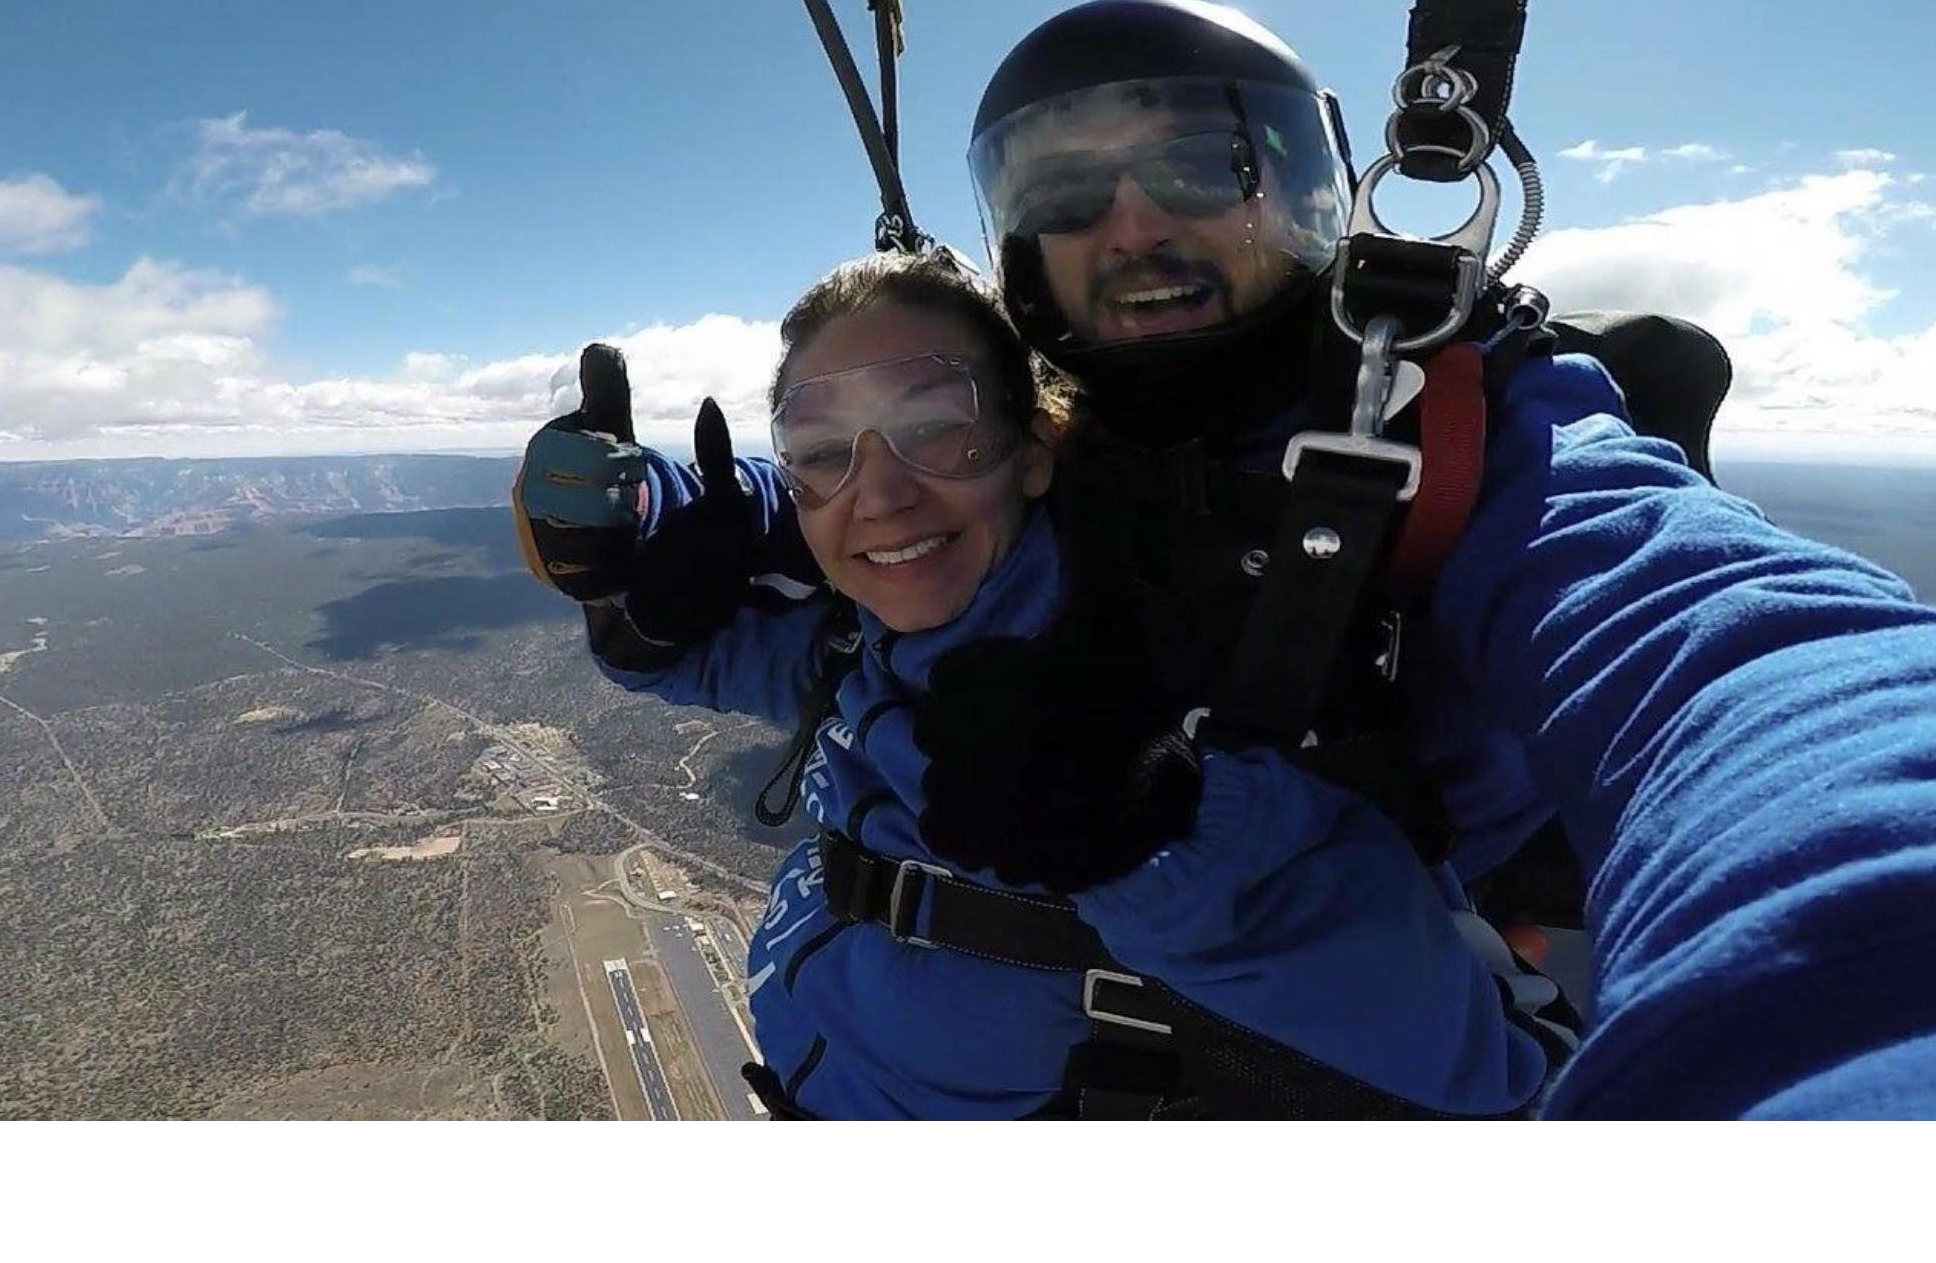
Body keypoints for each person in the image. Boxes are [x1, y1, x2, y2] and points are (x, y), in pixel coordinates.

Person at [931, 0, 1936, 1118]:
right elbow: (819, 504)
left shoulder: (1465, 422)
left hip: (1389, 1011)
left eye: (1200, 166)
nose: (1130, 226)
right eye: (1066, 190)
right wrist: (692, 539)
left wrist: (1865, 964)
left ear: (1300, 183)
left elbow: (1716, 643)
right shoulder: (1031, 447)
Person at [514, 246, 1573, 1119]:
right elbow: (669, 653)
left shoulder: (1196, 666)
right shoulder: (861, 632)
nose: (875, 493)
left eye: (935, 425)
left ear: (1033, 448)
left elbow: (1489, 1073)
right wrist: (628, 546)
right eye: (819, 449)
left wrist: (1154, 840)